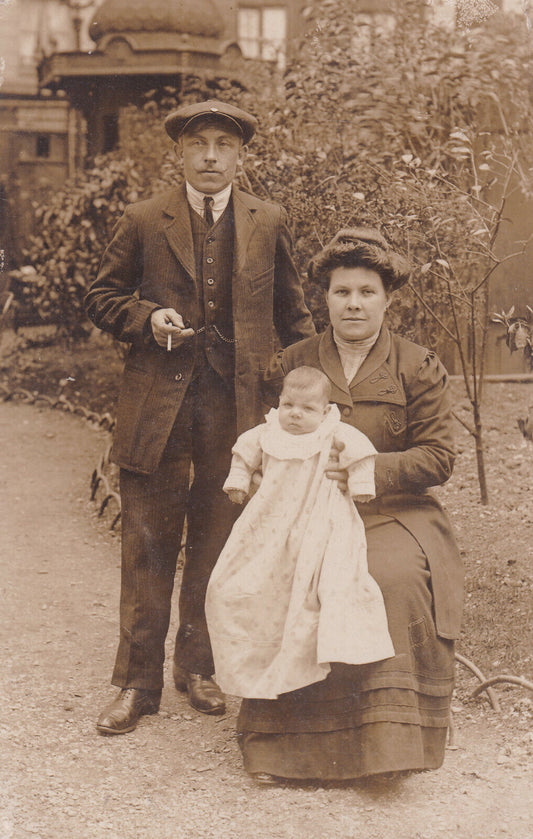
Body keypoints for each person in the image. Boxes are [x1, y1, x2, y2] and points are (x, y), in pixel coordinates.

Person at [84, 100, 315, 735]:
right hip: (157, 407)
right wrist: (146, 318)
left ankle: (198, 666)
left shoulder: (268, 220)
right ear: (179, 154)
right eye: (198, 145)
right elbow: (101, 296)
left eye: (223, 145)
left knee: (219, 541)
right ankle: (137, 682)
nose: (211, 156)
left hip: (237, 412)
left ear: (242, 156)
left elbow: (293, 316)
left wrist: (309, 391)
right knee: (148, 546)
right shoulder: (142, 220)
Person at [236, 227, 464, 784]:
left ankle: (388, 746)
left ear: (388, 299)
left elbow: (438, 457)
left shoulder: (417, 366)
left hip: (391, 512)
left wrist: (369, 469)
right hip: (302, 512)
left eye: (367, 292)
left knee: (386, 577)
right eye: (342, 292)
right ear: (324, 299)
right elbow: (262, 435)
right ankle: (283, 748)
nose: (354, 304)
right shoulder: (292, 364)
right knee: (296, 576)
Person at [205, 365, 394, 701]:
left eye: (307, 409)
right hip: (269, 519)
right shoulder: (267, 432)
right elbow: (244, 452)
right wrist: (238, 479)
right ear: (279, 403)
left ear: (325, 411)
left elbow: (360, 452)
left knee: (323, 580)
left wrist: (361, 483)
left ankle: (313, 667)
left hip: (319, 516)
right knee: (232, 583)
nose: (295, 415)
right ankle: (253, 664)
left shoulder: (333, 432)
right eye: (289, 405)